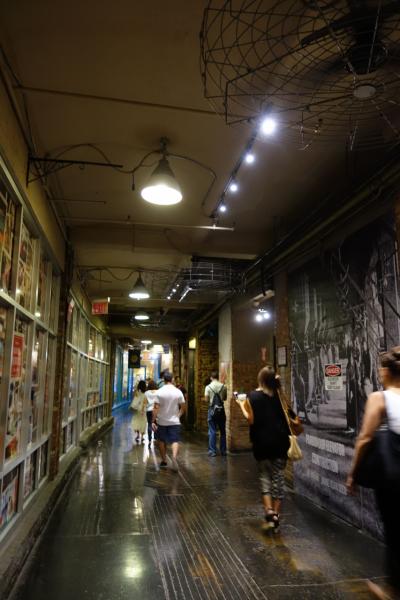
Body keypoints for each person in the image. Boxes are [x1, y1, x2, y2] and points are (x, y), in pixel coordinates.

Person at [346, 347, 400, 600]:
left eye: (380, 368)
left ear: (387, 371)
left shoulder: (380, 398)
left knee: (394, 530)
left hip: (393, 478)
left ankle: (392, 590)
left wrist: (353, 473)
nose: (378, 372)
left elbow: (365, 438)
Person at [235, 365, 290, 531]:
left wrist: (241, 404)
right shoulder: (279, 396)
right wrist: (279, 387)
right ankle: (275, 516)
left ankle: (269, 511)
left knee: (265, 477)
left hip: (261, 443)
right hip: (280, 443)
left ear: (260, 379)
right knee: (278, 478)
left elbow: (250, 419)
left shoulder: (252, 396)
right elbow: (287, 411)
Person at [152, 371, 186, 471]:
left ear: (164, 380)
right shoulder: (178, 391)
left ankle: (164, 460)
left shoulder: (159, 392)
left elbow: (156, 408)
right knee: (175, 440)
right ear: (172, 379)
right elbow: (183, 407)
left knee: (161, 440)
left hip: (161, 421)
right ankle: (174, 458)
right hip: (174, 421)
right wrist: (178, 416)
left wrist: (153, 421)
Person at [205, 371, 227, 457]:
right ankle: (223, 451)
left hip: (212, 410)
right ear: (218, 377)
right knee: (223, 431)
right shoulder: (223, 386)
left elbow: (206, 400)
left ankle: (212, 451)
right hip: (221, 410)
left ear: (211, 378)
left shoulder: (208, 387)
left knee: (212, 431)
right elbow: (224, 398)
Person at [145, 380, 158, 447]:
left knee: (149, 424)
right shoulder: (158, 392)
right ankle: (156, 437)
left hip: (148, 410)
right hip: (156, 410)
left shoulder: (146, 393)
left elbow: (145, 402)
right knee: (156, 424)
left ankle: (149, 440)